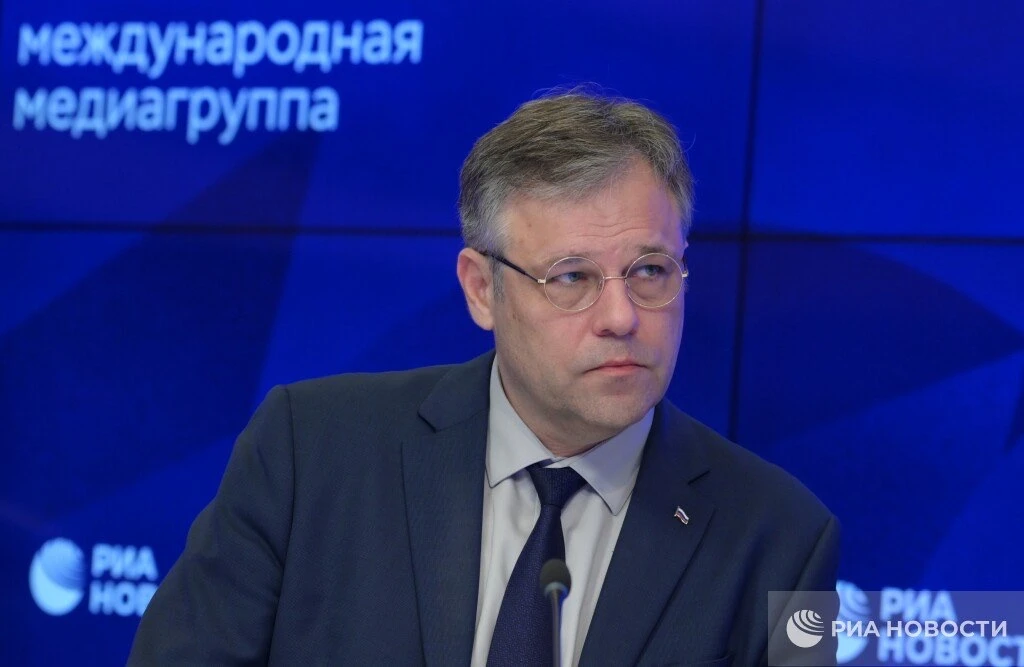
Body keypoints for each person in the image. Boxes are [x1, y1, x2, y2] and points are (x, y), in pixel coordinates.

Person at [128, 90, 839, 666]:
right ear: (481, 289)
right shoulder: (308, 453)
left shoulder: (785, 538)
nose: (622, 316)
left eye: (649, 270)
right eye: (572, 277)